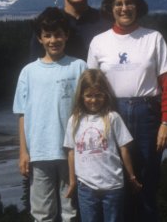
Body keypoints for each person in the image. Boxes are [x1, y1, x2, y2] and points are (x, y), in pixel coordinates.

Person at [87, 0, 167, 222]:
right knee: (117, 185)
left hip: (148, 115)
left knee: (147, 185)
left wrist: (166, 122)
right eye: (118, 4)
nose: (124, 8)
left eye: (129, 2)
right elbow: (90, 88)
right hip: (111, 115)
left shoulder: (153, 38)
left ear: (138, 6)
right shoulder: (99, 42)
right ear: (110, 8)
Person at [14, 7, 88, 222]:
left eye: (58, 34)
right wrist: (23, 152)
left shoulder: (79, 67)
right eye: (47, 35)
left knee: (71, 212)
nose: (53, 40)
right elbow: (21, 114)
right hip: (39, 152)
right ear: (39, 38)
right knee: (42, 213)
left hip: (72, 152)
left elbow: (89, 108)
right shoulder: (28, 72)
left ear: (67, 35)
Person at [64, 69, 142, 222]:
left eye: (98, 95)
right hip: (86, 187)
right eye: (89, 95)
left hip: (113, 186)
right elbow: (71, 153)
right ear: (81, 96)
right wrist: (72, 181)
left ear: (105, 95)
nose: (93, 100)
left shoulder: (112, 118)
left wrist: (131, 176)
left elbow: (124, 149)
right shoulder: (74, 121)